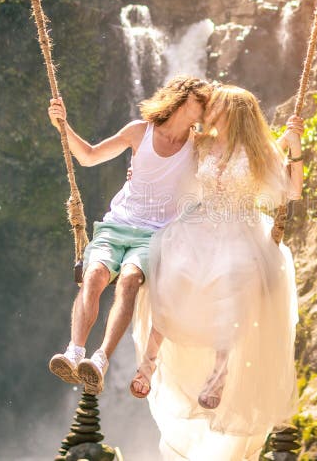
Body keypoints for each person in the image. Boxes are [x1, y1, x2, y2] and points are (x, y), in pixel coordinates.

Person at [130, 84, 304, 460]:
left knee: (233, 278)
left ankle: (219, 375)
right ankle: (148, 363)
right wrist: (141, 173)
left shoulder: (259, 151)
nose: (209, 112)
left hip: (241, 229)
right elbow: (169, 163)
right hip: (199, 225)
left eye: (217, 107)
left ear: (234, 113)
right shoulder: (200, 145)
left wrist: (295, 146)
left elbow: (291, 192)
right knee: (171, 272)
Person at [47, 76, 212, 395]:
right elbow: (90, 156)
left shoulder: (199, 145)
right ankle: (74, 351)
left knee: (129, 281)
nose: (206, 107)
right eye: (200, 100)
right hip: (117, 223)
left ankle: (99, 361)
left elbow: (232, 160)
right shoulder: (140, 131)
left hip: (154, 236)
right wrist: (62, 126)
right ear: (181, 99)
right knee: (94, 275)